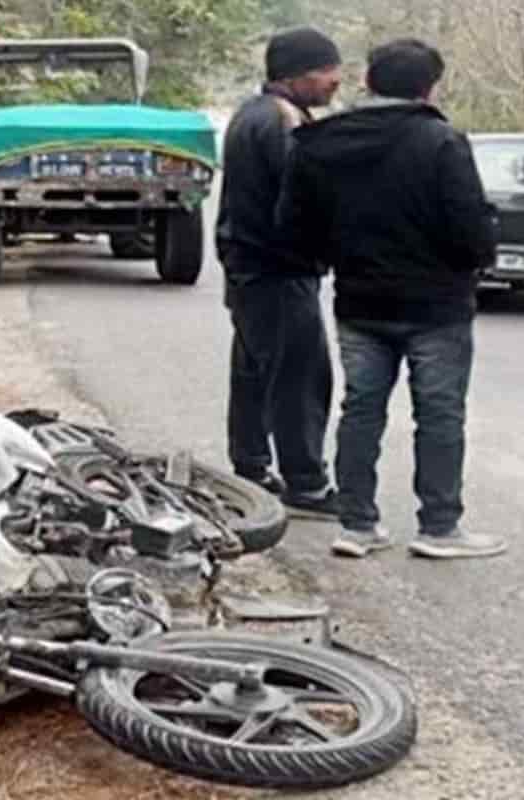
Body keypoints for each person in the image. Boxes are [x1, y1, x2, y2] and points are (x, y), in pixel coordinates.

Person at [276, 38, 508, 559]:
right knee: (441, 413)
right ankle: (439, 528)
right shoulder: (442, 142)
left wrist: (337, 259)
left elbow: (293, 229)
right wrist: (475, 259)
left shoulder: (320, 142)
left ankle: (356, 524)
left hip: (360, 302)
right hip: (437, 307)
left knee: (361, 409)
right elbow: (471, 229)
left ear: (368, 82)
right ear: (428, 88)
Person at [215, 26, 344, 518]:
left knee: (253, 369)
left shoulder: (250, 114)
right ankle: (306, 483)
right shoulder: (285, 123)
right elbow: (301, 202)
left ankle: (248, 469)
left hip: (248, 266)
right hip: (278, 268)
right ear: (298, 74)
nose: (336, 82)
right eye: (328, 72)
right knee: (301, 375)